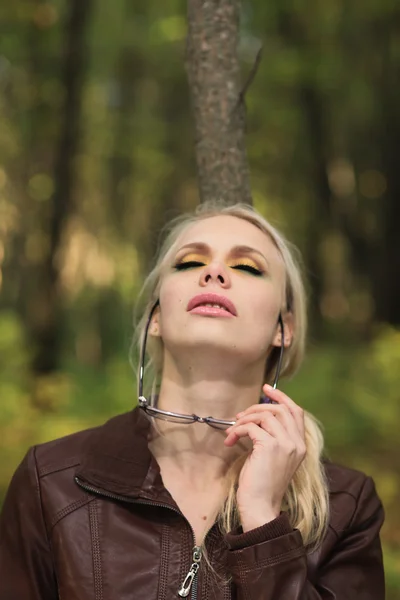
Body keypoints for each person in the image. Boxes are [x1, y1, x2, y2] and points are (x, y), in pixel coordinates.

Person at [0, 201, 385, 600]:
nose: (214, 272)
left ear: (283, 329)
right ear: (156, 318)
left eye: (248, 267)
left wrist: (264, 527)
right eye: (189, 263)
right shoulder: (51, 483)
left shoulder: (346, 508)